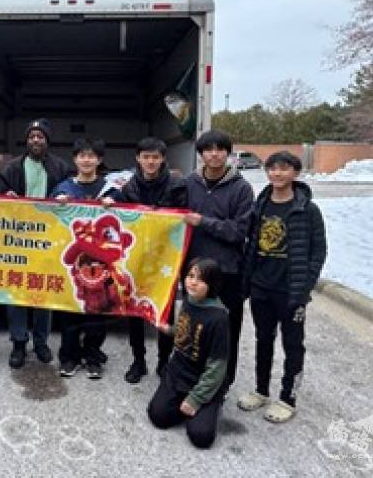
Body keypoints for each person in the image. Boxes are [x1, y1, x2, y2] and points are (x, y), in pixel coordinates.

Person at [237, 151, 327, 423]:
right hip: (261, 287)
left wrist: (304, 287)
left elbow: (318, 251)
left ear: (295, 173)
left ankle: (288, 398)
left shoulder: (308, 210)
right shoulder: (260, 205)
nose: (277, 173)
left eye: (284, 168)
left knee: (293, 345)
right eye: (272, 168)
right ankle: (261, 390)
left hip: (290, 291)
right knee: (263, 340)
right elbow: (250, 243)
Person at [183, 129, 254, 392]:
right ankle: (192, 378)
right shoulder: (189, 183)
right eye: (208, 150)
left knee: (226, 331)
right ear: (200, 154)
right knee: (192, 328)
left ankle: (222, 384)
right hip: (194, 271)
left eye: (220, 149)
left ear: (228, 153)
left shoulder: (241, 188)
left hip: (227, 273)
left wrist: (203, 222)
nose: (214, 154)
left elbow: (239, 231)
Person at [0, 118, 72, 368]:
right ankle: (19, 343)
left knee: (44, 291)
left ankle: (41, 342)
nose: (36, 140)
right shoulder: (11, 168)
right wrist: (4, 196)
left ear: (47, 141)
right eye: (32, 136)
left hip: (48, 240)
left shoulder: (61, 168)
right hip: (17, 240)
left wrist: (66, 198)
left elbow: (71, 195)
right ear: (26, 140)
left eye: (40, 136)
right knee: (16, 291)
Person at [118, 136, 187, 383]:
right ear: (138, 158)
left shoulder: (177, 185)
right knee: (135, 311)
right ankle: (138, 361)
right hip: (137, 258)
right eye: (146, 157)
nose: (150, 162)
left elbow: (184, 220)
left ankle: (164, 362)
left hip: (166, 259)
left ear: (163, 159)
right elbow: (120, 219)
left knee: (165, 312)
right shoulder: (128, 188)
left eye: (155, 157)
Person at [51, 138, 118, 380]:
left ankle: (93, 357)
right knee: (70, 310)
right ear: (75, 159)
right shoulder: (62, 189)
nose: (86, 160)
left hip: (101, 266)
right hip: (72, 263)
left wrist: (116, 206)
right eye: (82, 155)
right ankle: (69, 357)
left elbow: (125, 224)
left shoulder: (111, 190)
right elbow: (48, 220)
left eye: (91, 156)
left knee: (97, 314)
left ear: (99, 160)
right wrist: (56, 205)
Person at [147, 258, 230, 449]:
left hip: (202, 378)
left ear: (212, 284)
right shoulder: (188, 300)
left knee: (201, 437)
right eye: (190, 276)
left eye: (200, 279)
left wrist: (195, 399)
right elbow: (183, 330)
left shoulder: (219, 318)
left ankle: (211, 403)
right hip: (178, 372)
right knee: (157, 416)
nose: (192, 282)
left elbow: (217, 366)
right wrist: (167, 329)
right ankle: (186, 405)